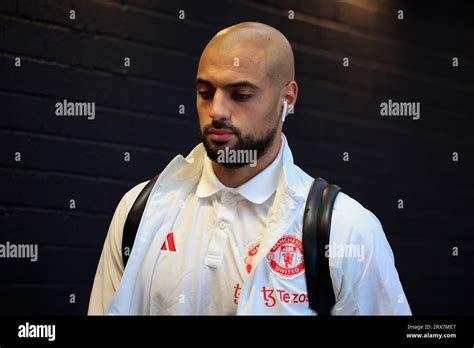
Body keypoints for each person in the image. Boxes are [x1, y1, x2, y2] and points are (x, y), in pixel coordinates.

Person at [88, 22, 411, 315]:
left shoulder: (346, 230)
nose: (217, 111)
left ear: (287, 99)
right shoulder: (141, 212)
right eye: (205, 92)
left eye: (240, 94)